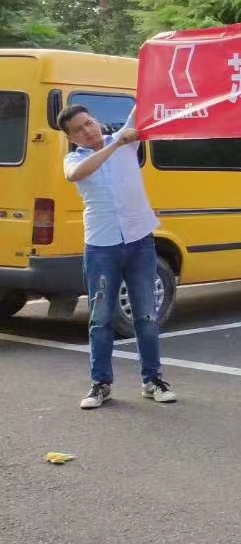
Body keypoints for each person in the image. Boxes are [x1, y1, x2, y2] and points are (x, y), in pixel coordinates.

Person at [60, 104, 176, 409]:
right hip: (101, 246)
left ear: (95, 120)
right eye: (79, 129)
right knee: (101, 318)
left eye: (89, 122)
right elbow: (76, 174)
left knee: (146, 316)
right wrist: (115, 145)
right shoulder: (75, 159)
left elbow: (144, 102)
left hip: (140, 242)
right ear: (72, 137)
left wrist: (152, 58)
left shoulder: (126, 139)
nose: (88, 130)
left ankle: (153, 380)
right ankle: (100, 384)